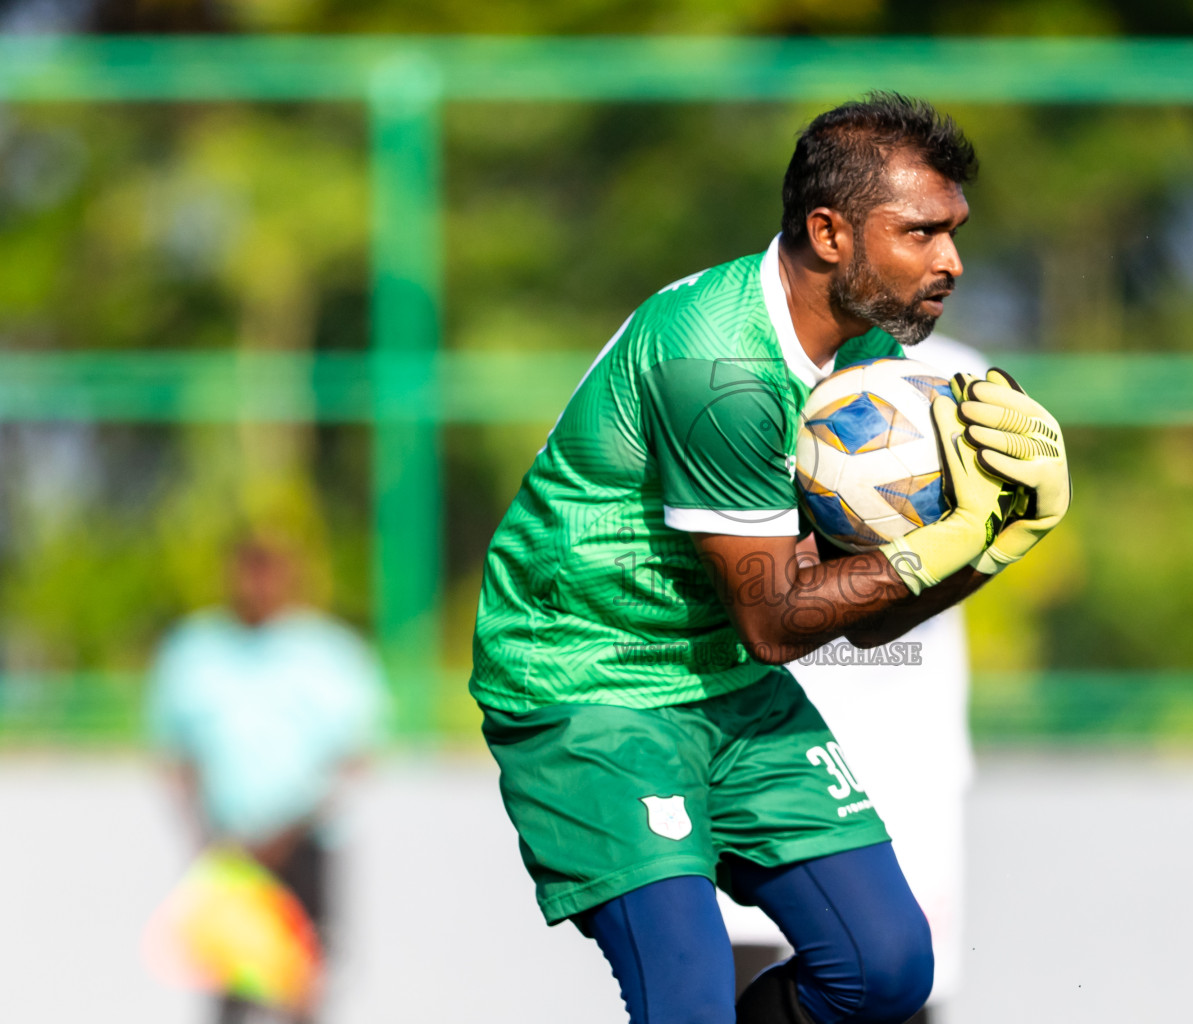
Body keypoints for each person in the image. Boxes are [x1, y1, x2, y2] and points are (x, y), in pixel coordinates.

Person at [471, 93, 1071, 1024]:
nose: (951, 260)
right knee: (688, 999)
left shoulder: (871, 355)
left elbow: (859, 616)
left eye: (954, 231)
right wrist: (957, 534)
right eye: (921, 233)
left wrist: (998, 543)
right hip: (588, 686)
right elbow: (777, 619)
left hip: (721, 683)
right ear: (830, 232)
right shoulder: (720, 365)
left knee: (886, 968)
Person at [719, 334, 988, 1024]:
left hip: (903, 772)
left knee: (894, 992)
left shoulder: (965, 381)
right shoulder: (721, 365)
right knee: (725, 992)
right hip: (747, 757)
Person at [147, 533, 389, 1024]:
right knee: (228, 981)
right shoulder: (195, 650)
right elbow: (176, 753)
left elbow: (356, 757)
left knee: (302, 981)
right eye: (248, 571)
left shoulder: (329, 653)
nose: (258, 586)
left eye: (269, 571)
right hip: (226, 849)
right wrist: (208, 834)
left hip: (303, 844)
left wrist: (288, 829)